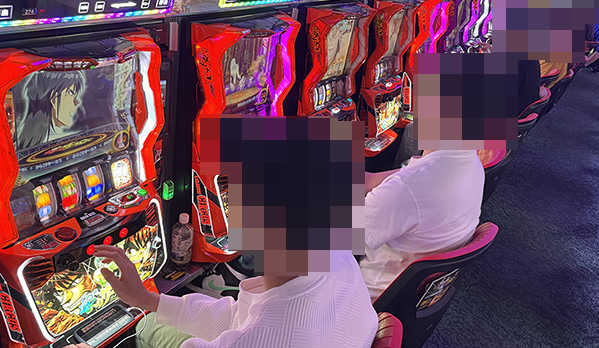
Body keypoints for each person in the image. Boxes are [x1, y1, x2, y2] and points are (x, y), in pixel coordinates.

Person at [64, 116, 378, 348]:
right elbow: (240, 315)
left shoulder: (261, 337)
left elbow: (251, 330)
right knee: (155, 314)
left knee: (146, 329)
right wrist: (148, 298)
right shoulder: (339, 256)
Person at [361, 149, 485, 302]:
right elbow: (370, 181)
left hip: (367, 293)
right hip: (407, 294)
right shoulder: (468, 161)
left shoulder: (408, 187)